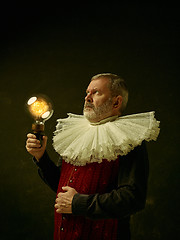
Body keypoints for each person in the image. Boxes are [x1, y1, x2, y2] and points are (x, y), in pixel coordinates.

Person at [26, 73, 160, 240]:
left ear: (116, 102)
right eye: (87, 92)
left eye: (96, 93)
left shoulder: (129, 140)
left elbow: (133, 199)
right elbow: (62, 187)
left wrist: (78, 204)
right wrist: (41, 158)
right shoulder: (75, 134)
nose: (87, 98)